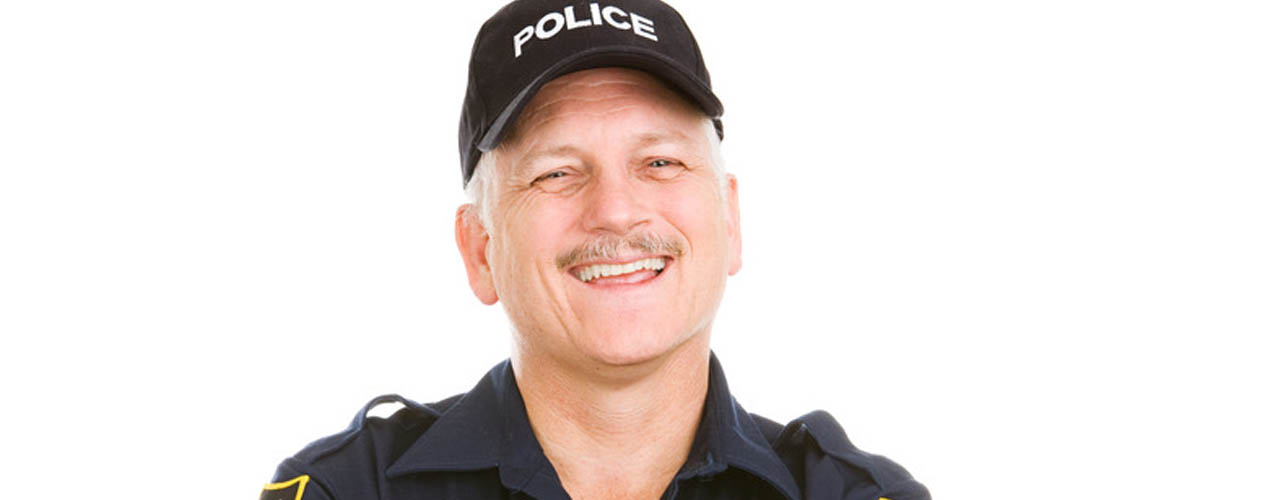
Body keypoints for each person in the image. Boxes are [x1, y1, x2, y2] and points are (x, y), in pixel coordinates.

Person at [261, 1, 930, 499]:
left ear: (730, 219)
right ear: (480, 249)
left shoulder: (850, 495)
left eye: (661, 162)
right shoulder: (348, 490)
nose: (614, 209)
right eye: (557, 173)